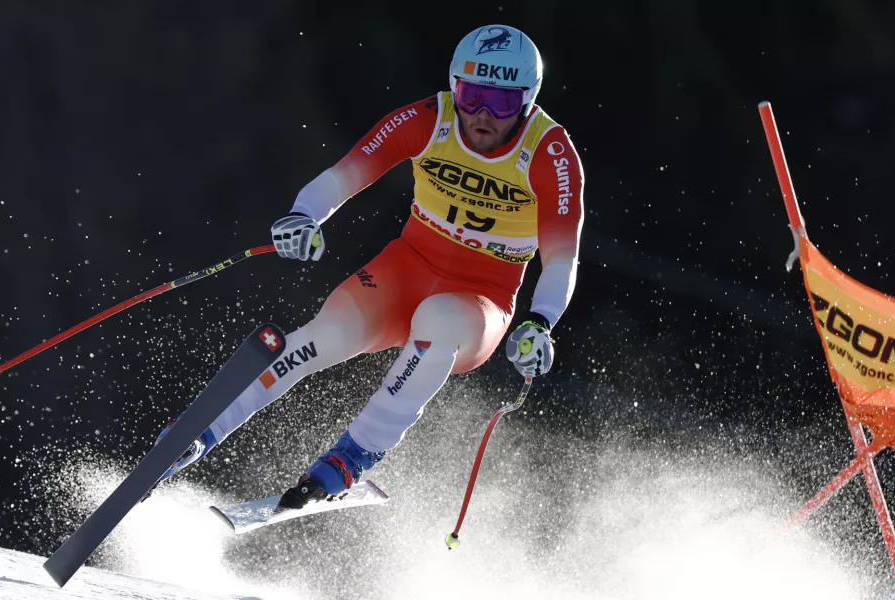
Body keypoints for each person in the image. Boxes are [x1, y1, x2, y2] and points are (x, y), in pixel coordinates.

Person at [154, 24, 584, 509]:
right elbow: (346, 173)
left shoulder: (550, 153)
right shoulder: (430, 119)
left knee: (438, 322)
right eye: (471, 95)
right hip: (407, 268)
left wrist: (540, 323)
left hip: (479, 299)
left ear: (527, 102)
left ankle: (353, 456)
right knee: (325, 335)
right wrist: (303, 216)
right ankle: (198, 432)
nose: (482, 116)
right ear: (454, 86)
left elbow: (562, 259)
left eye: (502, 104)